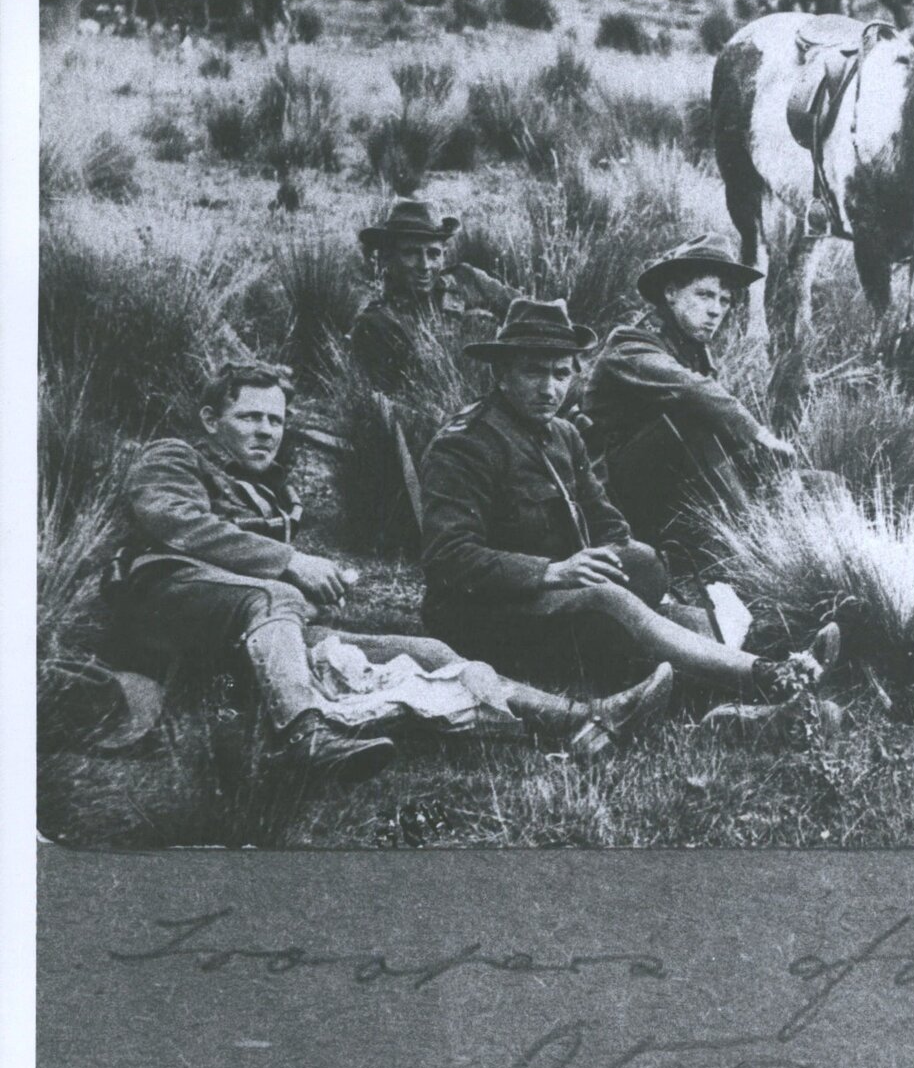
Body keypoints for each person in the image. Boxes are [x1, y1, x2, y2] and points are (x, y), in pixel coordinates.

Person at [110, 361, 677, 784]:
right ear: (211, 420)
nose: (266, 431)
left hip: (248, 623)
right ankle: (305, 736)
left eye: (275, 420)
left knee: (427, 653)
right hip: (165, 603)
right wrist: (290, 563)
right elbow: (177, 525)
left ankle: (576, 717)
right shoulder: (173, 456)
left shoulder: (272, 490)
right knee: (273, 596)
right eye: (248, 417)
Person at [419, 297, 836, 705]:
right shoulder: (466, 444)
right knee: (613, 604)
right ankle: (771, 677)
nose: (549, 388)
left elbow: (607, 523)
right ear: (501, 373)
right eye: (533, 372)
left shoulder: (563, 435)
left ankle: (761, 696)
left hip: (559, 599)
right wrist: (553, 571)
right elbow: (449, 558)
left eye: (560, 373)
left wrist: (623, 557)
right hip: (484, 617)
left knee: (661, 592)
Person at [581, 234, 798, 572]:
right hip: (608, 502)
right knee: (693, 421)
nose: (715, 310)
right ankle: (755, 556)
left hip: (664, 491)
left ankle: (778, 544)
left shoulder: (694, 352)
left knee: (818, 482)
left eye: (725, 301)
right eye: (704, 294)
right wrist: (758, 434)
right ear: (671, 293)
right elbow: (691, 391)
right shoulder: (629, 344)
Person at [345, 197, 521, 395]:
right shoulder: (374, 325)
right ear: (387, 258)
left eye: (434, 254)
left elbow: (530, 312)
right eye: (410, 253)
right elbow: (382, 406)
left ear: (444, 255)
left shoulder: (467, 280)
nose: (425, 266)